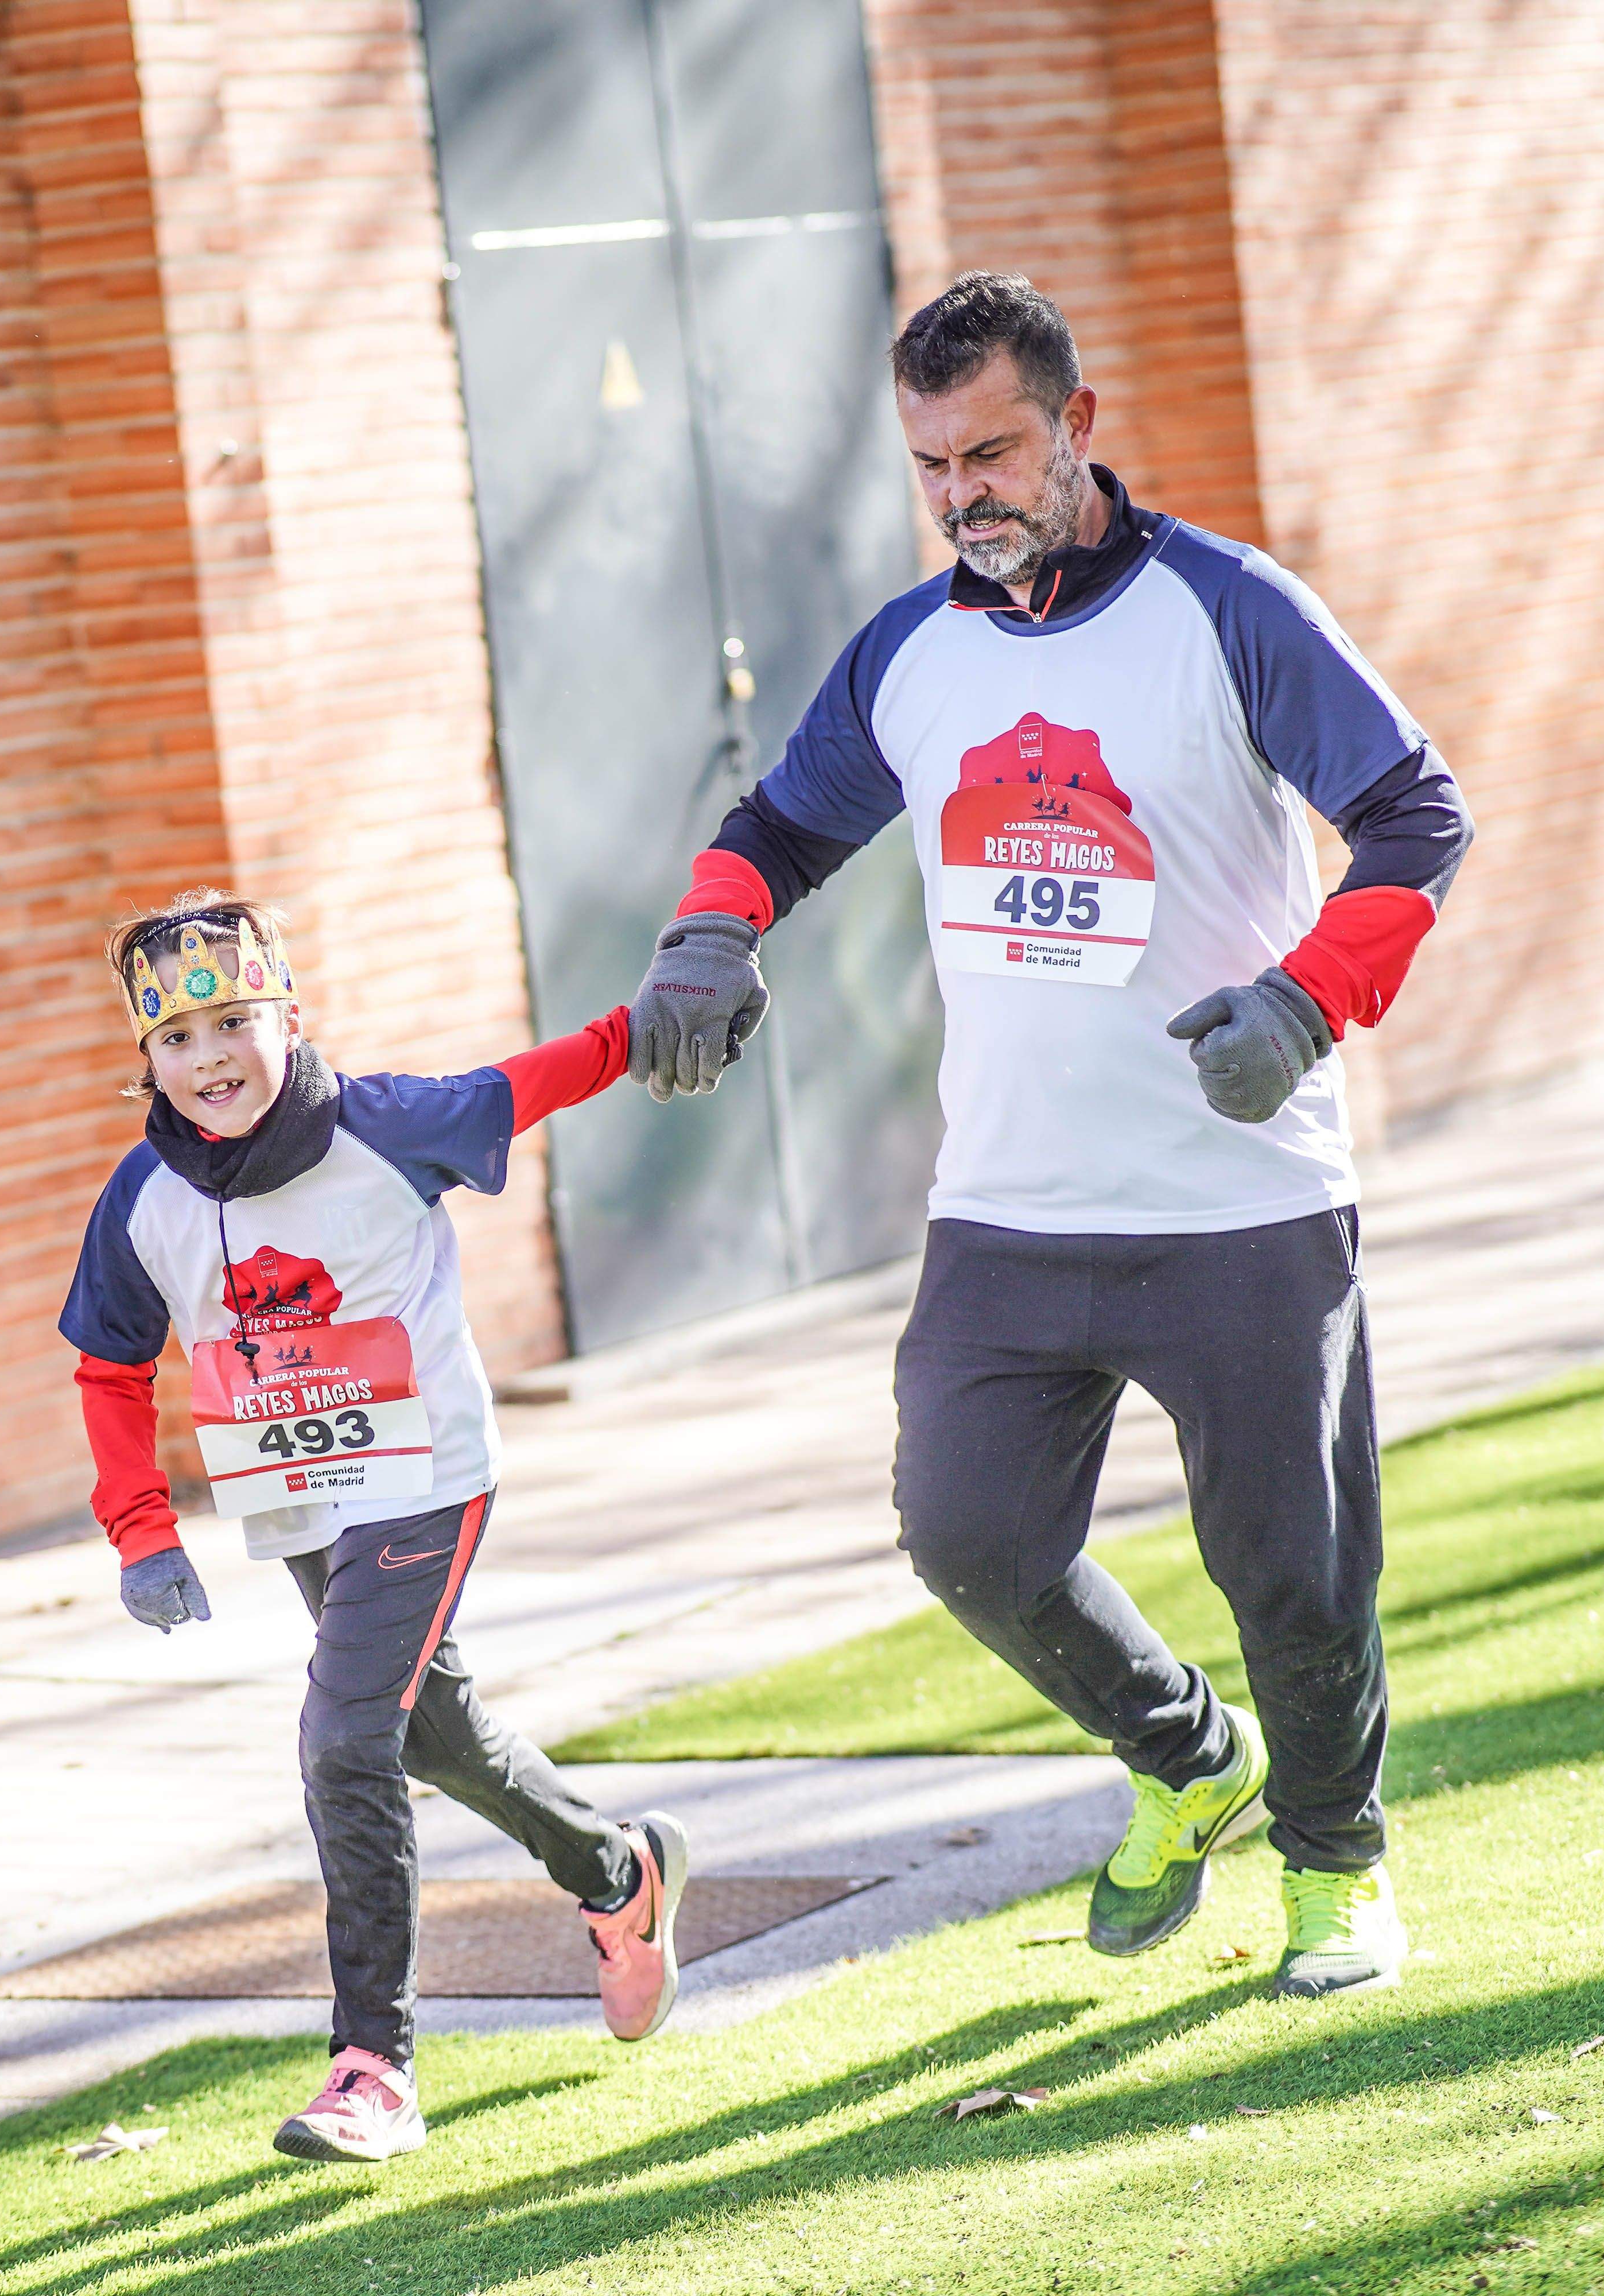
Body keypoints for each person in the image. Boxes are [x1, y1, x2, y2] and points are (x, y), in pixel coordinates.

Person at [629, 273, 1474, 1999]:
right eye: (933, 465)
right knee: (970, 1535)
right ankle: (1188, 1754)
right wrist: (709, 933)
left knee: (1297, 1574)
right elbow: (780, 825)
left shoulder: (1228, 610)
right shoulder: (912, 654)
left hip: (1240, 1197)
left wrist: (1305, 1001)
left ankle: (1338, 1869)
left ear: (1077, 425)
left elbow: (1415, 815)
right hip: (1010, 1205)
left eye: (995, 452)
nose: (965, 494)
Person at [59, 890, 691, 2162]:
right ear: (147, 1058)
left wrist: (654, 1022)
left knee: (344, 1740)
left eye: (234, 1020)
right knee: (433, 1734)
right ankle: (621, 1873)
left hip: (424, 1481)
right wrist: (140, 1530)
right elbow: (109, 1368)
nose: (210, 1056)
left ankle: (373, 2067)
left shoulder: (387, 1124)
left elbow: (526, 1084)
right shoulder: (142, 1197)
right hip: (298, 1497)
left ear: (289, 1018)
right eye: (176, 1038)